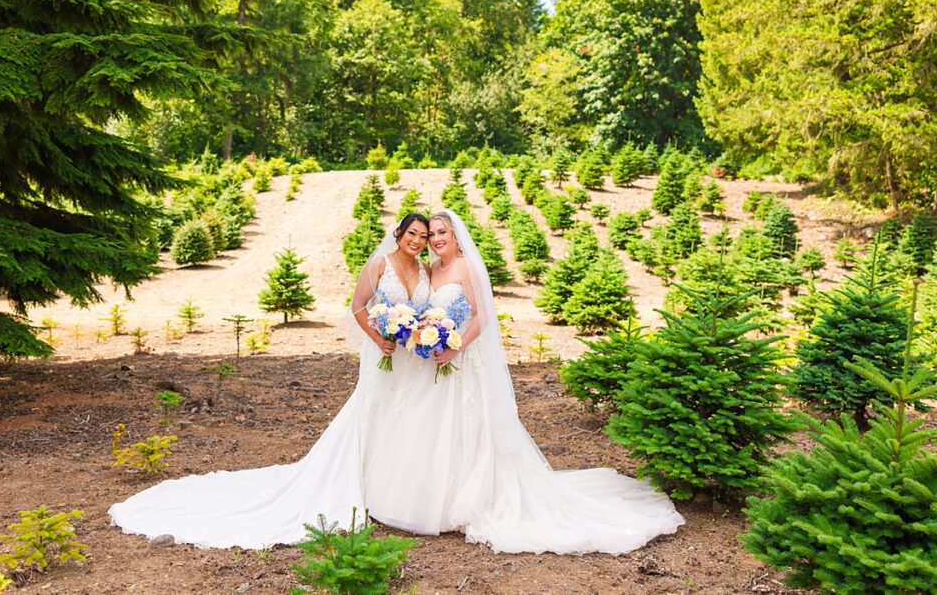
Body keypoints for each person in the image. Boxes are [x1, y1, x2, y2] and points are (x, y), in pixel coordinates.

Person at [109, 210, 684, 554]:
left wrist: (455, 344)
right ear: (410, 238)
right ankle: (392, 492)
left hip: (457, 366)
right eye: (425, 233)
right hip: (418, 364)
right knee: (409, 426)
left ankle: (458, 500)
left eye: (438, 232)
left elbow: (480, 317)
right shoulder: (417, 269)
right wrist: (405, 335)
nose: (432, 240)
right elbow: (380, 309)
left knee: (461, 433)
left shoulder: (461, 269)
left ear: (456, 236)